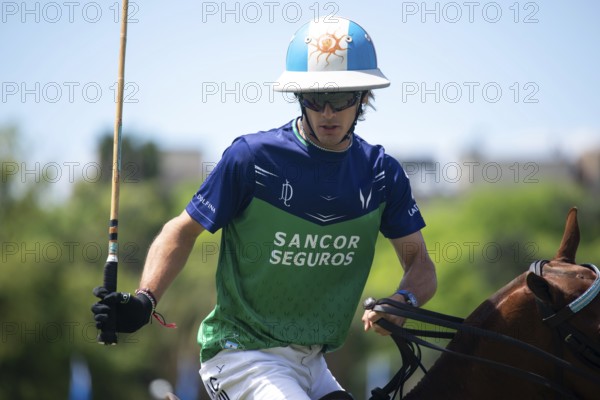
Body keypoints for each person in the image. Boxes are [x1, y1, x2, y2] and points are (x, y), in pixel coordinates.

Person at [92, 16, 437, 400]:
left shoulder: (381, 174)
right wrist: (145, 299)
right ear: (298, 96)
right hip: (240, 355)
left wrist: (404, 301)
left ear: (363, 98)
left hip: (314, 364)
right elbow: (181, 231)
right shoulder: (251, 158)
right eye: (314, 97)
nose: (327, 112)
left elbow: (420, 265)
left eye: (341, 99)